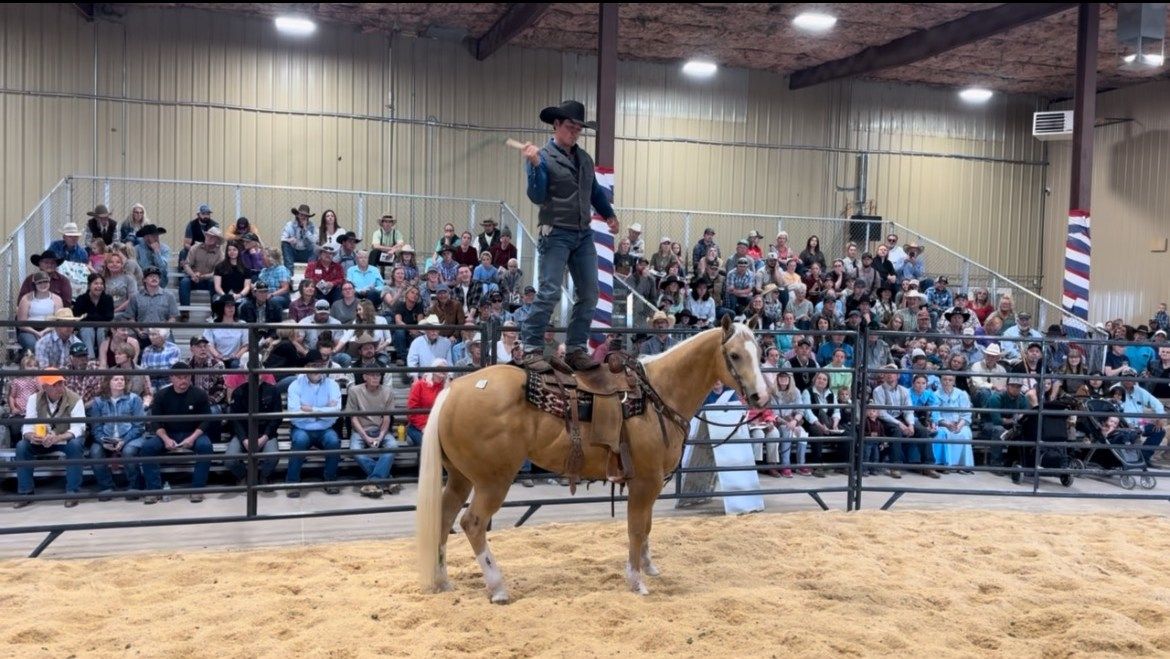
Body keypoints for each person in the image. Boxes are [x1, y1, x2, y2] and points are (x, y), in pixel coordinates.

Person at [517, 99, 618, 371]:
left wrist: (608, 213)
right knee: (550, 290)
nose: (574, 132)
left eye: (578, 129)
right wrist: (536, 166)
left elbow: (594, 191)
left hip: (582, 234)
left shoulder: (584, 159)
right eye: (570, 127)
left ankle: (575, 348)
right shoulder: (542, 157)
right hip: (556, 232)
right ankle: (531, 347)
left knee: (590, 293)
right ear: (557, 125)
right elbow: (537, 195)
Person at [141, 363, 216, 503]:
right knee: (147, 448)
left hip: (193, 432)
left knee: (206, 447)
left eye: (186, 377)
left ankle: (197, 490)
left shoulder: (199, 394)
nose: (184, 381)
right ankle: (154, 490)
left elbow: (206, 420)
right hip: (168, 433)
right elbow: (155, 422)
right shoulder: (162, 395)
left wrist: (192, 438)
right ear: (172, 378)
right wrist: (165, 439)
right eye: (179, 377)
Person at [12, 371, 86, 508]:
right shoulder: (34, 398)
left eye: (61, 383)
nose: (60, 387)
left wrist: (58, 438)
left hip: (64, 439)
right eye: (55, 385)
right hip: (42, 440)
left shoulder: (75, 399)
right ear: (45, 387)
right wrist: (31, 436)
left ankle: (73, 493)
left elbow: (79, 428)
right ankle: (25, 492)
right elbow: (27, 425)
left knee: (76, 445)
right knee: (22, 446)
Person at [284, 359, 343, 497]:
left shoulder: (332, 384)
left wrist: (311, 410)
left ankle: (330, 480)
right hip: (301, 428)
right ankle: (292, 482)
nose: (317, 369)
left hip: (325, 428)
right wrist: (323, 411)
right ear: (306, 367)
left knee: (334, 441)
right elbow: (294, 414)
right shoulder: (295, 384)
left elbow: (336, 411)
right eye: (313, 365)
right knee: (299, 441)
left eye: (320, 365)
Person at [89, 374, 148, 499]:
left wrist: (124, 440)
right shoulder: (98, 402)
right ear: (108, 383)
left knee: (129, 451)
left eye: (122, 379)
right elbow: (96, 428)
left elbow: (139, 426)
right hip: (107, 438)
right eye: (115, 379)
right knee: (95, 452)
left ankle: (135, 487)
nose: (120, 382)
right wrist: (103, 441)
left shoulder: (134, 399)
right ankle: (107, 488)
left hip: (131, 437)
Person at [222, 373, 282, 486]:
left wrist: (265, 437)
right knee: (229, 460)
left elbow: (276, 418)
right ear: (245, 376)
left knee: (273, 457)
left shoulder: (273, 391)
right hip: (243, 433)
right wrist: (244, 439)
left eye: (258, 373)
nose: (255, 376)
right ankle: (244, 476)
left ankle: (264, 476)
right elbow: (235, 420)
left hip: (266, 433)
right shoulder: (238, 392)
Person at [347, 370, 400, 497]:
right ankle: (387, 479)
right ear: (364, 377)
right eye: (372, 375)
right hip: (360, 431)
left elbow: (387, 418)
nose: (376, 377)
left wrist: (381, 436)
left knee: (393, 446)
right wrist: (365, 437)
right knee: (355, 450)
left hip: (380, 429)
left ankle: (373, 482)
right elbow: (353, 418)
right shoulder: (354, 391)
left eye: (378, 375)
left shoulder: (387, 391)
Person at [179, 226, 224, 316]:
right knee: (184, 282)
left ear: (217, 240)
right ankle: (184, 312)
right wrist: (193, 275)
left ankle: (215, 312)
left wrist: (203, 276)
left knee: (214, 282)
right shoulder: (195, 248)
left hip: (208, 279)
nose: (209, 238)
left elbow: (217, 272)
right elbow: (187, 264)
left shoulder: (220, 254)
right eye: (207, 235)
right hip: (193, 278)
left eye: (212, 237)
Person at [933, 374, 974, 471]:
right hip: (943, 423)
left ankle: (963, 466)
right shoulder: (935, 395)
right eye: (945, 379)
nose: (947, 382)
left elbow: (967, 413)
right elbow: (935, 414)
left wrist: (959, 425)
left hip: (959, 423)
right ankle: (945, 465)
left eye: (950, 380)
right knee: (942, 433)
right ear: (941, 381)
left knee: (965, 433)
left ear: (954, 382)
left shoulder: (962, 394)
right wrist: (946, 424)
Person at [16, 271, 64, 353]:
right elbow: (21, 323)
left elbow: (58, 322)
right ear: (35, 284)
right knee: (32, 344)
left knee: (54, 343)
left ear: (49, 282)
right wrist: (36, 333)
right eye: (39, 283)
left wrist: (44, 332)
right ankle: (30, 364)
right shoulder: (26, 298)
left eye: (45, 281)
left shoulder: (57, 299)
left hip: (50, 329)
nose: (43, 285)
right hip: (29, 330)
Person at [406, 358, 449, 447]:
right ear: (433, 370)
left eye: (444, 369)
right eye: (439, 368)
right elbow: (412, 410)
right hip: (418, 426)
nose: (442, 371)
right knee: (428, 443)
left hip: (439, 426)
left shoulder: (447, 388)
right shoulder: (420, 385)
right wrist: (424, 426)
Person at [406, 315, 454, 382]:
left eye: (436, 328)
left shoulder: (446, 343)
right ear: (425, 329)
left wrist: (449, 378)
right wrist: (415, 378)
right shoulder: (417, 342)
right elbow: (412, 362)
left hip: (441, 379)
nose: (434, 331)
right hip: (423, 379)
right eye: (431, 328)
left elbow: (449, 363)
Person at [281, 204, 319, 269]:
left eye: (305, 216)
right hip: (293, 253)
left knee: (316, 247)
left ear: (308, 217)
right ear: (297, 215)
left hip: (306, 253)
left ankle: (310, 274)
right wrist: (289, 240)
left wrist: (306, 230)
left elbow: (315, 240)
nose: (303, 217)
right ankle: (289, 273)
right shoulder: (290, 225)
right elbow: (282, 239)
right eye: (301, 215)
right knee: (285, 244)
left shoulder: (312, 226)